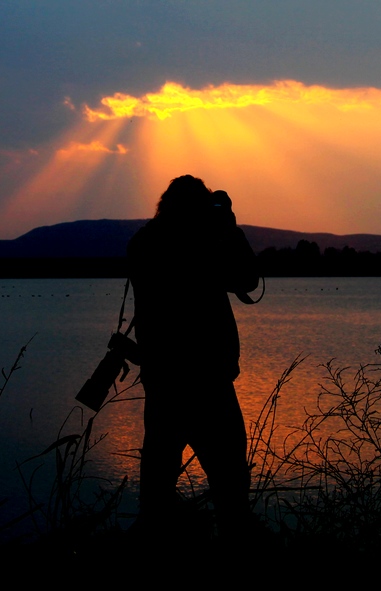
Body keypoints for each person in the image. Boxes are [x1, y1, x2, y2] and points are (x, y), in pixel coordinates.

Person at [127, 174, 258, 539]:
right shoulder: (202, 245)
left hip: (162, 384)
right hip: (209, 385)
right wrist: (228, 227)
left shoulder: (143, 243)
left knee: (156, 492)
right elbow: (247, 279)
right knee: (231, 489)